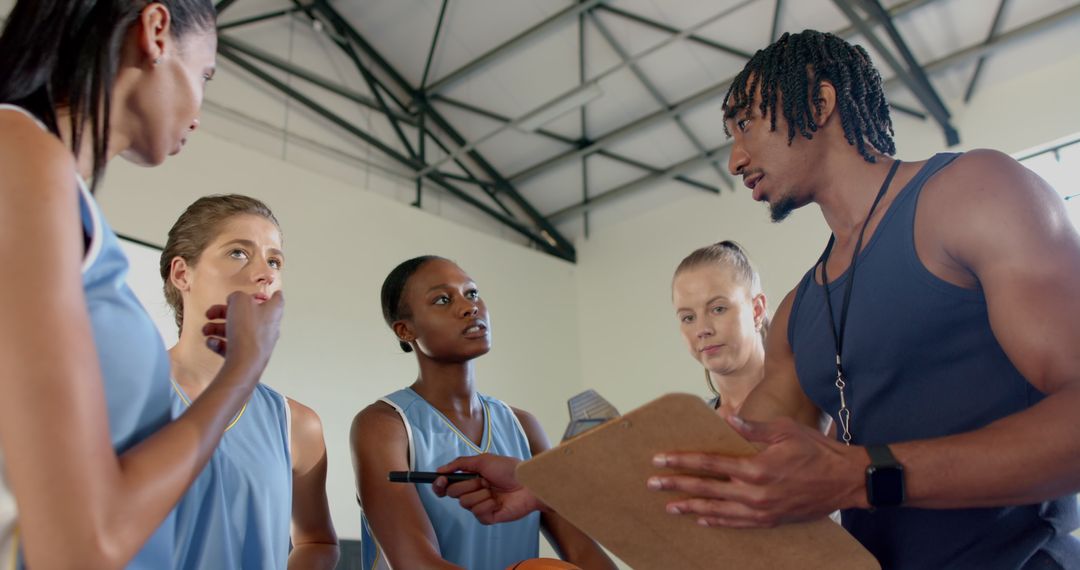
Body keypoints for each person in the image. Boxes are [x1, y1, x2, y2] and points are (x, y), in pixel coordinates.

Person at [647, 29, 1080, 568]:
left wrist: (864, 475)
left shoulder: (972, 193)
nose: (735, 160)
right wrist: (556, 484)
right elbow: (735, 470)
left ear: (819, 103)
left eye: (745, 126)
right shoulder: (797, 312)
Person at [0, 2, 284, 568]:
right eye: (204, 75)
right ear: (156, 32)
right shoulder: (19, 157)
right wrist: (243, 370)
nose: (199, 112)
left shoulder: (54, 188)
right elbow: (83, 546)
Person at [350, 256, 615, 570]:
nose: (468, 307)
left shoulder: (522, 425)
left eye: (472, 293)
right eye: (443, 299)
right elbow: (417, 564)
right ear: (405, 330)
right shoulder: (384, 425)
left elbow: (584, 553)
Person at [160, 194, 338, 569]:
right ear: (181, 274)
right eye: (239, 253)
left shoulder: (298, 425)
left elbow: (317, 540)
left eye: (274, 260)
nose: (266, 273)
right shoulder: (126, 393)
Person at [672, 240, 768, 414]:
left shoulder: (817, 399)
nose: (702, 329)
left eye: (718, 309)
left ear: (756, 310)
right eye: (688, 318)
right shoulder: (694, 430)